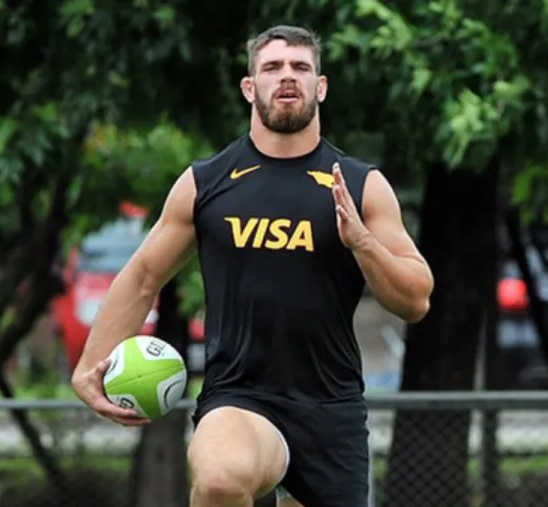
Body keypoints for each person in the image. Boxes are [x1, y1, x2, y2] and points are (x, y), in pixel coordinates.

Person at [71, 24, 434, 507]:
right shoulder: (207, 182)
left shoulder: (360, 185)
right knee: (219, 480)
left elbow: (416, 299)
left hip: (330, 410)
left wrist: (362, 242)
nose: (287, 76)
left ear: (320, 87)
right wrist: (90, 365)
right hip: (238, 398)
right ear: (249, 87)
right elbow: (142, 276)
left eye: (301, 67)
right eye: (272, 67)